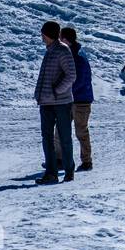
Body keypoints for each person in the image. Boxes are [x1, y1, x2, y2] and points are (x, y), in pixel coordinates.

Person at [35, 20, 76, 185]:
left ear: (49, 34)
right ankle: (51, 173)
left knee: (64, 137)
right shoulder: (49, 51)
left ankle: (68, 171)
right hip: (46, 102)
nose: (42, 37)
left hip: (61, 102)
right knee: (47, 138)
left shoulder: (62, 51)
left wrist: (57, 91)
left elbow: (71, 75)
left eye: (43, 34)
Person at [54, 27, 94, 173]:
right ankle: (58, 160)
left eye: (60, 38)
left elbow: (80, 81)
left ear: (65, 39)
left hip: (81, 101)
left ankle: (87, 161)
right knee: (60, 129)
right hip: (68, 100)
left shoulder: (79, 56)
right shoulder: (68, 54)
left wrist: (64, 90)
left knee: (81, 131)